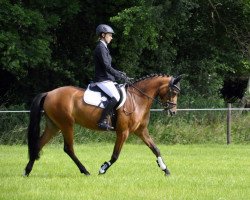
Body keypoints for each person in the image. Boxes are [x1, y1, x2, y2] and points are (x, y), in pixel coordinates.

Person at [94, 24, 129, 130]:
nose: (111, 37)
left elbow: (109, 67)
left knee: (119, 93)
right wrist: (118, 75)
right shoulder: (100, 47)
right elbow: (106, 66)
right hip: (102, 80)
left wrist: (120, 73)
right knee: (116, 97)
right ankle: (101, 121)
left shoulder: (104, 47)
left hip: (107, 79)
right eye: (110, 35)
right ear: (103, 35)